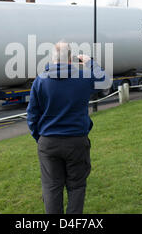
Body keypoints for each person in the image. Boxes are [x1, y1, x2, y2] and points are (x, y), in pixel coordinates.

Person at [27, 41, 106, 214]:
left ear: (53, 59)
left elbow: (32, 115)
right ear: (71, 58)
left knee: (51, 188)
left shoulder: (40, 80)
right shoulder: (83, 78)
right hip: (76, 141)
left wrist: (39, 138)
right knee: (76, 187)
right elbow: (104, 80)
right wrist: (89, 61)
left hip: (48, 141)